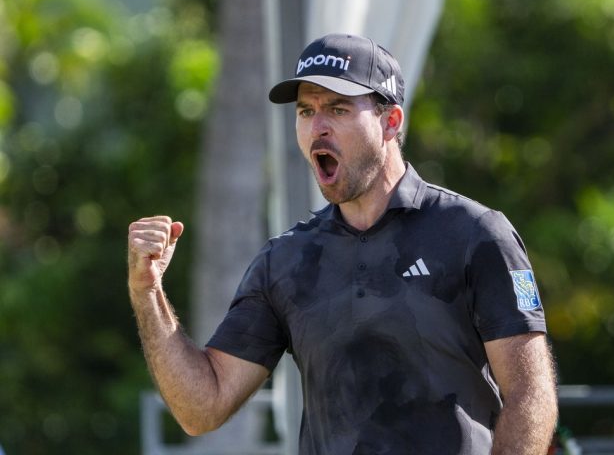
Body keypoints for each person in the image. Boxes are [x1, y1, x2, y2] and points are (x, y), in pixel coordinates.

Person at [128, 33, 558, 454]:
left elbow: (530, 394)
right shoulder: (286, 260)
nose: (318, 127)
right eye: (306, 111)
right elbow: (202, 408)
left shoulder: (474, 233)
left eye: (338, 108)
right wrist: (148, 293)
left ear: (390, 122)